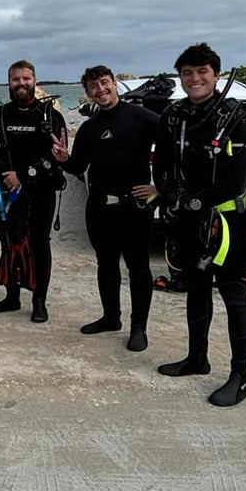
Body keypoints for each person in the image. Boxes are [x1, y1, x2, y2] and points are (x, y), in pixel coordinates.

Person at [136, 42, 246, 407]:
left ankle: (241, 377)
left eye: (202, 71)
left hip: (228, 220)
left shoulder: (240, 120)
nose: (195, 78)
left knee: (234, 294)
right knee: (197, 287)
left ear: (216, 75)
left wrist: (190, 199)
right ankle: (197, 358)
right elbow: (162, 164)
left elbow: (236, 181)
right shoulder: (174, 116)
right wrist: (172, 195)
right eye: (187, 73)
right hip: (189, 218)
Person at [53, 65, 160, 348]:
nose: (100, 90)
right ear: (87, 93)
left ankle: (139, 327)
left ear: (114, 83)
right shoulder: (89, 128)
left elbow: (175, 147)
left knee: (138, 268)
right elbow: (79, 166)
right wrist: (63, 158)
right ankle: (111, 317)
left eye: (104, 83)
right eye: (93, 87)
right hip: (99, 208)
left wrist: (160, 187)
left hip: (135, 207)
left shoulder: (141, 117)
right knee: (106, 263)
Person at [0, 60, 67, 324]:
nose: (21, 83)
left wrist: (21, 175)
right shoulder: (0, 115)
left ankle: (39, 299)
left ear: (35, 81)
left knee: (39, 244)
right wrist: (7, 176)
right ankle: (11, 296)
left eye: (26, 79)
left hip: (39, 189)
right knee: (10, 244)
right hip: (6, 190)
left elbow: (55, 157)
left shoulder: (50, 116)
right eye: (16, 79)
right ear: (8, 82)